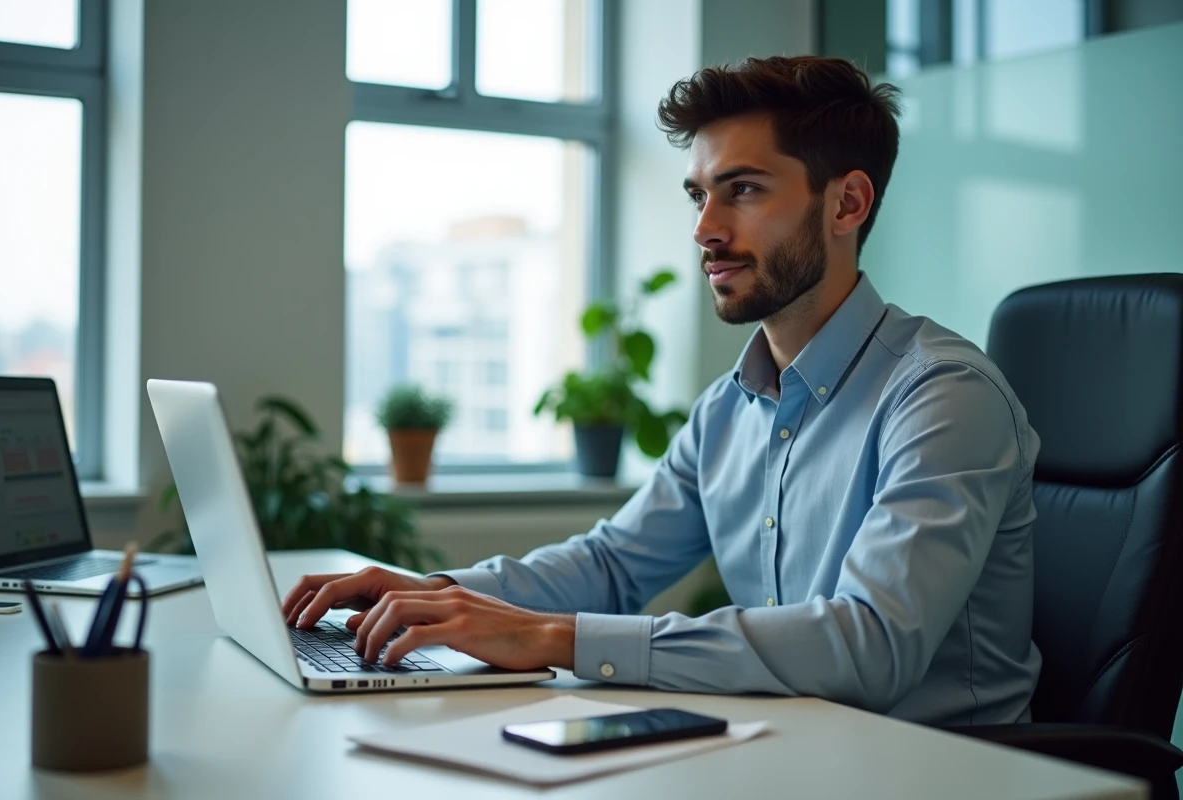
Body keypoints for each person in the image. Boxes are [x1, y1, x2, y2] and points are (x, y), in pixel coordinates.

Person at [282, 55, 1041, 727]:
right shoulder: (728, 408)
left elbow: (870, 646)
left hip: (943, 769)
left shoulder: (943, 396)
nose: (705, 229)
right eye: (698, 195)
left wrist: (551, 637)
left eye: (742, 190)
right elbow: (615, 566)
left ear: (846, 204)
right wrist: (429, 596)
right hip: (790, 745)